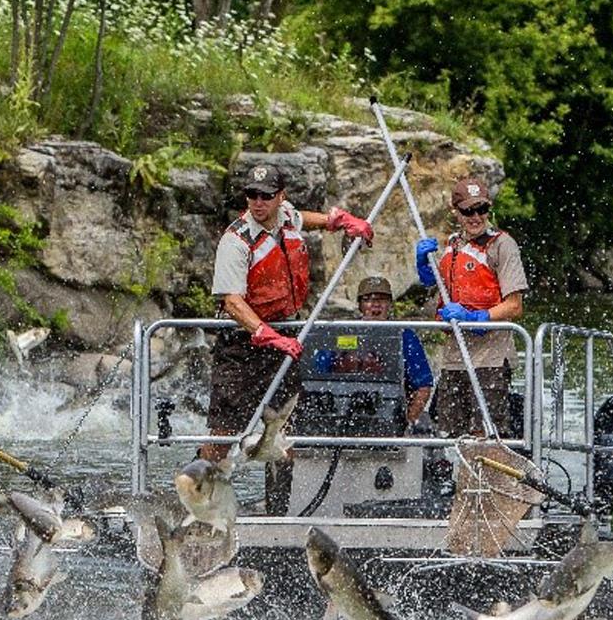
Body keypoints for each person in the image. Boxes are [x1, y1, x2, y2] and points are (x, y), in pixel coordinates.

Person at [204, 162, 373, 461]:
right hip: (242, 346)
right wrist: (265, 334)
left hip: (285, 338)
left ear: (280, 196)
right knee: (223, 434)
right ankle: (198, 494)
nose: (258, 202)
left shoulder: (284, 216)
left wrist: (337, 221)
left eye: (266, 196)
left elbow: (301, 219)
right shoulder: (236, 240)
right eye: (252, 195)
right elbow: (232, 301)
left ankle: (283, 502)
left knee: (288, 426)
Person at [414, 177, 527, 438]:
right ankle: (452, 477)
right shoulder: (452, 245)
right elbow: (436, 283)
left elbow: (514, 306)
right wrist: (424, 266)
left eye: (482, 210)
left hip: (491, 357)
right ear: (456, 212)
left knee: (484, 433)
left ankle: (481, 478)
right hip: (455, 358)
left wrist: (478, 317)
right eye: (468, 211)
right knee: (449, 432)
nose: (476, 217)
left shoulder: (502, 245)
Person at [308, 275, 434, 430]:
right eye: (368, 300)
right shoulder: (342, 332)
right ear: (360, 305)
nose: (376, 305)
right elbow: (316, 373)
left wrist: (407, 423)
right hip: (338, 412)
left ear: (389, 305)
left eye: (382, 300)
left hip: (388, 415)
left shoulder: (405, 336)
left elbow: (423, 387)